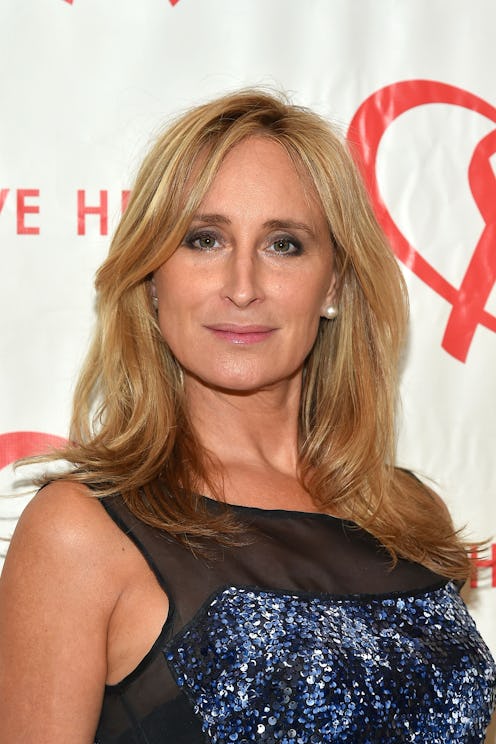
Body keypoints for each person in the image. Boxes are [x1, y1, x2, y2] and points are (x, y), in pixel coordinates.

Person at [0, 89, 494, 744]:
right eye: (204, 240)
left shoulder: (408, 514)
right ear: (152, 278)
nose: (242, 286)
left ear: (334, 284)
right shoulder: (80, 532)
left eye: (283, 245)